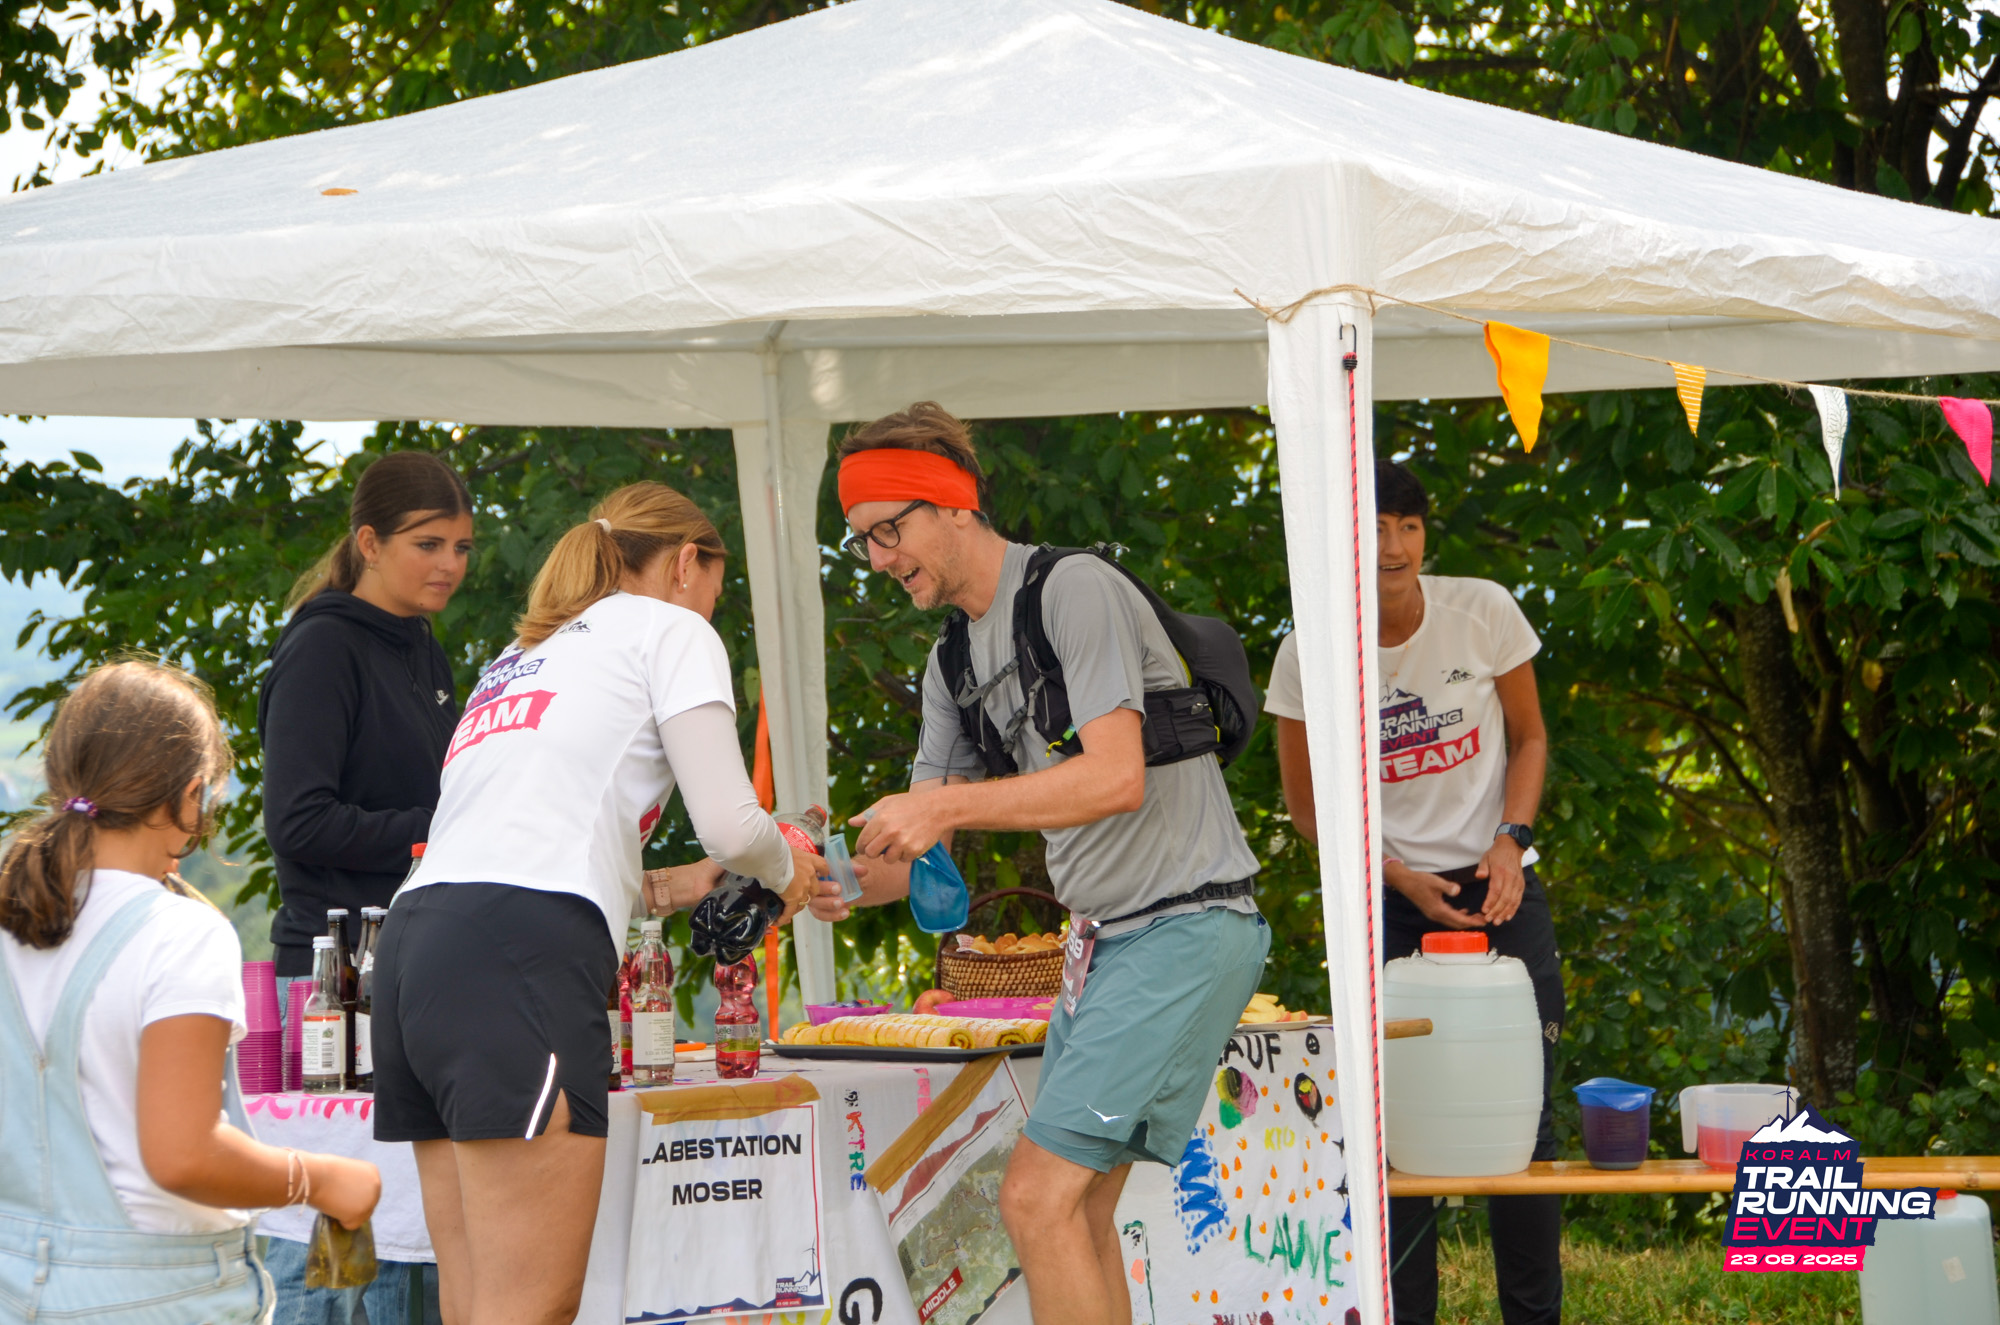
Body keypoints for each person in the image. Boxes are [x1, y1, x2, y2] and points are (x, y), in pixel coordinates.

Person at [831, 403, 1269, 1325]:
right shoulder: (950, 662)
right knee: (1077, 1210)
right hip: (1103, 946)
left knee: (1035, 1199)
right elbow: (915, 853)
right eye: (862, 539)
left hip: (1185, 922)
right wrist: (801, 874)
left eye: (888, 530)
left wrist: (940, 805)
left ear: (954, 504)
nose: (876, 558)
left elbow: (1114, 777)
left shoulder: (1074, 590)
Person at [371, 482, 838, 1325]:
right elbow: (735, 825)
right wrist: (786, 869)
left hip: (415, 946)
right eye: (716, 590)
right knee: (532, 1306)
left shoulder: (521, 655)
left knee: (474, 1302)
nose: (711, 611)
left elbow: (538, 834)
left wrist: (676, 883)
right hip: (517, 951)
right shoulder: (671, 628)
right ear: (687, 563)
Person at [1265, 459, 1562, 1325]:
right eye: (1375, 527)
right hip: (1386, 897)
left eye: (1409, 526)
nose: (1393, 546)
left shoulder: (1484, 610)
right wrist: (1391, 872)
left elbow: (1532, 738)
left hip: (1499, 882)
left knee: (1528, 1115)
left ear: (1426, 535)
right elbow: (1307, 807)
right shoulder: (1308, 650)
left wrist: (1511, 842)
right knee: (1389, 1121)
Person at [0, 661, 381, 1323]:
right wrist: (318, 1178)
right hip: (159, 1292)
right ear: (190, 796)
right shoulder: (179, 931)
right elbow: (183, 1155)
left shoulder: (14, 917)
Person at [259, 449, 475, 979]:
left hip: (417, 956)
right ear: (370, 544)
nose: (450, 564)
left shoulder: (422, 645)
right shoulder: (323, 647)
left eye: (462, 547)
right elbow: (297, 823)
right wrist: (445, 829)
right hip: (335, 971)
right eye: (428, 544)